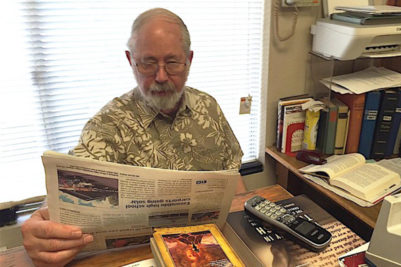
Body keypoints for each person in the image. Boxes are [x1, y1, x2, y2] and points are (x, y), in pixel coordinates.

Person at [21, 8, 246, 267]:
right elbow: (68, 194)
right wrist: (42, 228)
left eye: (172, 62)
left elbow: (233, 176)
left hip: (211, 251)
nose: (161, 77)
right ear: (131, 60)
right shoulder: (108, 124)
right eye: (148, 63)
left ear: (189, 59)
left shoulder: (208, 107)